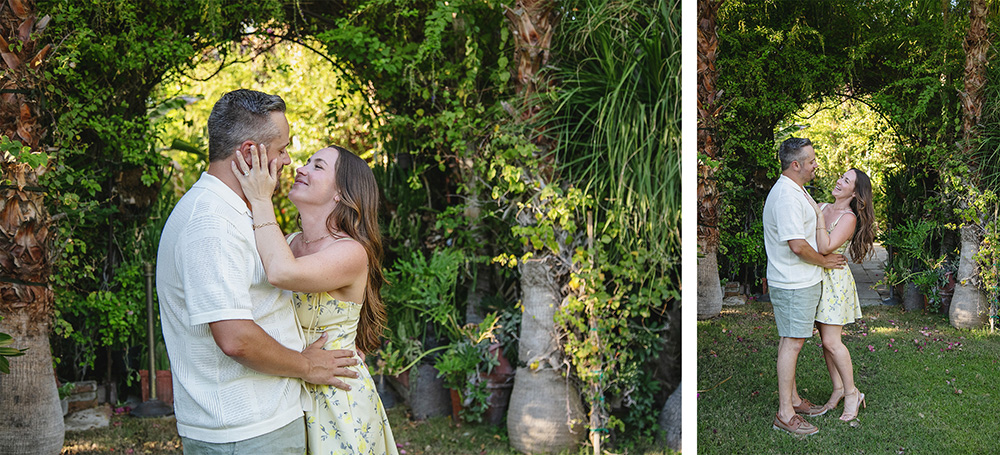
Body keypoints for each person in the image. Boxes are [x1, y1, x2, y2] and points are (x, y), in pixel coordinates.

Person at [156, 89, 359, 454]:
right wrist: (306, 366)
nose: (288, 161)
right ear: (251, 153)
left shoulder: (234, 212)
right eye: (282, 149)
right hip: (246, 430)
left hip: (260, 423)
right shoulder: (212, 222)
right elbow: (236, 338)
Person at [233, 142, 399, 454]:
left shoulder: (351, 252)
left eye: (317, 166)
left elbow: (282, 273)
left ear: (341, 192)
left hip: (338, 396)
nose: (301, 169)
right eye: (307, 162)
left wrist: (260, 198)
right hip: (290, 388)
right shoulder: (288, 243)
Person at [762, 137, 846, 436]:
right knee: (792, 342)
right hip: (793, 282)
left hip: (800, 281)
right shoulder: (786, 196)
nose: (816, 165)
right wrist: (824, 261)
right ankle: (785, 414)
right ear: (795, 164)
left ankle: (795, 400)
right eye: (811, 161)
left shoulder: (795, 191)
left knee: (792, 340)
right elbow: (797, 245)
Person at [807, 168, 875, 422]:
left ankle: (851, 393)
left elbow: (825, 246)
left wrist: (817, 215)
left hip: (835, 281)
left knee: (833, 342)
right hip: (816, 277)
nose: (839, 180)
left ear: (855, 193)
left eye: (846, 181)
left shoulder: (848, 217)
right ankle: (837, 389)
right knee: (826, 342)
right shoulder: (822, 205)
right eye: (841, 176)